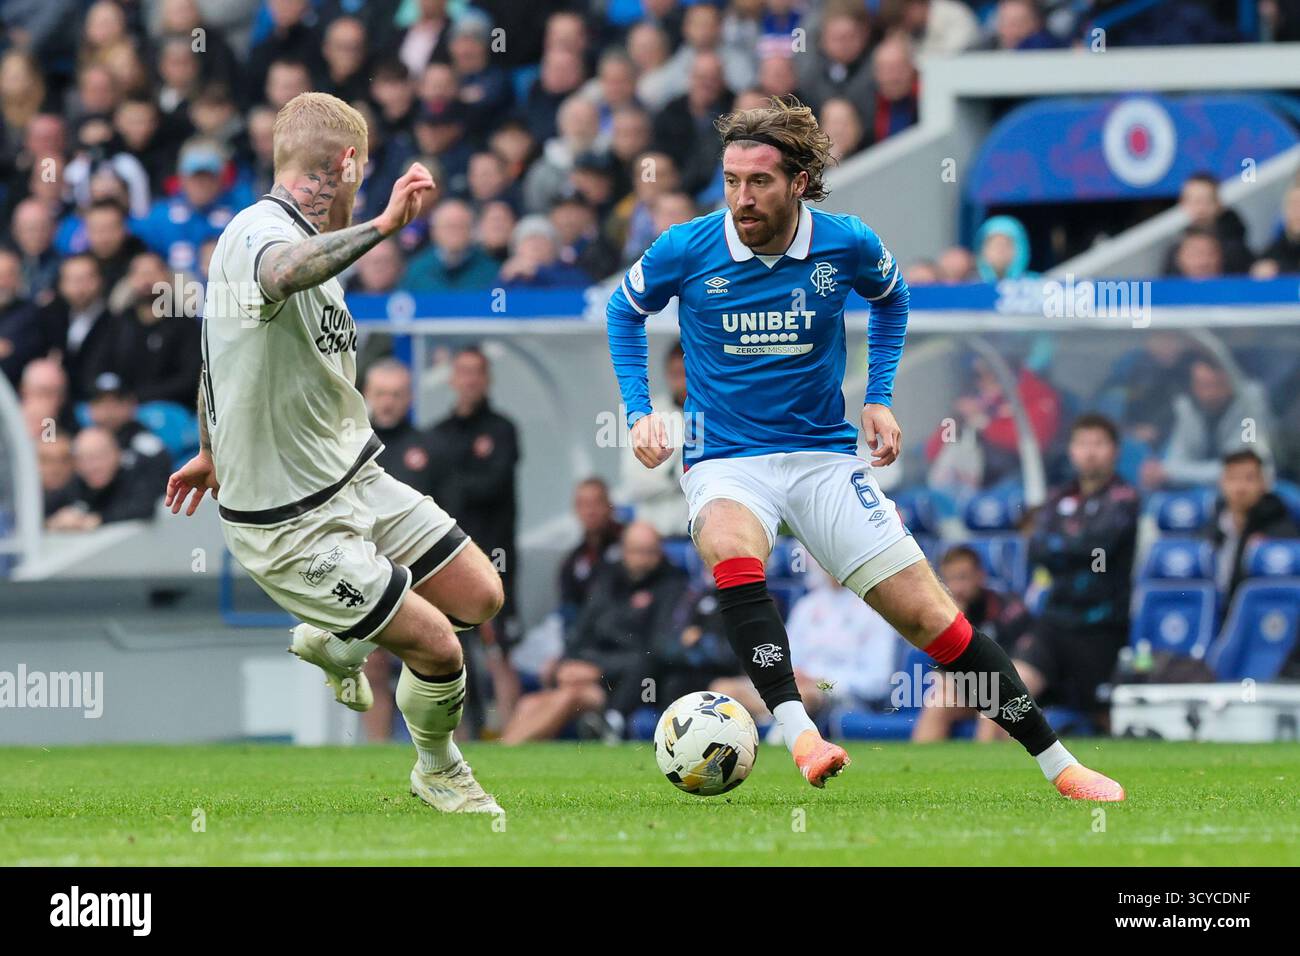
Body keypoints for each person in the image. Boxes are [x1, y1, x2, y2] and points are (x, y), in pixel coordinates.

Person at [605, 96, 1123, 799]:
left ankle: (1061, 767)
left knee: (933, 621)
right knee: (731, 549)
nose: (741, 198)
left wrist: (878, 395)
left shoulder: (845, 241)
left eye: (758, 182)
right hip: (727, 460)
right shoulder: (686, 247)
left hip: (823, 458)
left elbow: (893, 299)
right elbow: (623, 309)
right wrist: (640, 411)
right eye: (730, 181)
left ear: (797, 181)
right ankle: (801, 733)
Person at [164, 92, 504, 814]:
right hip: (289, 523)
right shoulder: (260, 231)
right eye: (362, 171)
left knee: (481, 594)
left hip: (352, 480)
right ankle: (439, 770)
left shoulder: (288, 244)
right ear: (347, 164)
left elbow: (214, 362)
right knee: (439, 648)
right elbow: (283, 271)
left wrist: (207, 448)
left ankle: (335, 634)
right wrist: (384, 223)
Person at [500, 521, 689, 743]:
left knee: (569, 698)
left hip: (630, 687)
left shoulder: (672, 586)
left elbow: (654, 651)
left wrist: (598, 669)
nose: (643, 559)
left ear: (661, 552)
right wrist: (566, 664)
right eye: (637, 551)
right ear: (624, 551)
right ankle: (498, 757)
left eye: (650, 552)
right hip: (591, 671)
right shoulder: (608, 579)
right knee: (529, 703)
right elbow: (582, 630)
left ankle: (507, 751)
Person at [1009, 414, 1138, 734]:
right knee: (1003, 703)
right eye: (1082, 443)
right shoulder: (1058, 498)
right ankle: (984, 783)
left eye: (1099, 443)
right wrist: (1070, 546)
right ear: (1071, 451)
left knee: (1103, 723)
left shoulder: (1125, 498)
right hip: (1053, 623)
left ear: (1115, 451)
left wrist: (1064, 547)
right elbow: (1036, 547)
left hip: (1100, 630)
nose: (1090, 451)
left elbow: (1098, 547)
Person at [713, 559, 904, 733]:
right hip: (795, 683)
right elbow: (785, 657)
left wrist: (821, 680)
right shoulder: (807, 605)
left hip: (838, 694)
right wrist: (792, 674)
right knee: (723, 689)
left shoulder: (875, 609)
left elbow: (876, 681)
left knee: (805, 696)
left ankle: (773, 727)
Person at [912, 545, 1035, 742]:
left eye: (962, 577)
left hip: (1011, 692)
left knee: (992, 705)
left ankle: (986, 770)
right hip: (969, 690)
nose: (956, 587)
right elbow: (942, 672)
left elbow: (1018, 668)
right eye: (949, 579)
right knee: (937, 702)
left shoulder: (1007, 609)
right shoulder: (946, 614)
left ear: (980, 576)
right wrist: (955, 624)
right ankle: (916, 770)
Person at [1205, 449, 1299, 603]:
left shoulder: (1282, 532)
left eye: (1249, 479)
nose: (1240, 488)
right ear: (1221, 483)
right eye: (1232, 478)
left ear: (1264, 483)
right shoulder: (1210, 529)